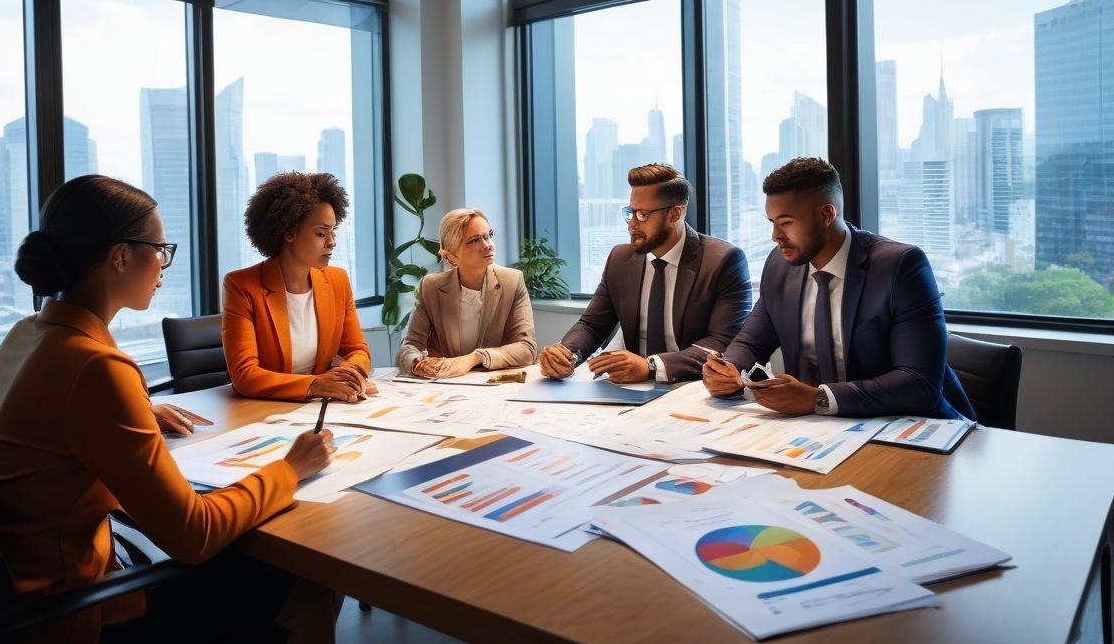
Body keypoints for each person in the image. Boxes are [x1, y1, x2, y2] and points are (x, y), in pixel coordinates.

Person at [0, 175, 338, 644]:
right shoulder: (97, 367)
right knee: (308, 580)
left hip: (21, 591)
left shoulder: (29, 334)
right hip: (75, 616)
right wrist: (291, 468)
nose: (163, 263)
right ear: (121, 255)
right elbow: (195, 535)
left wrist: (136, 408)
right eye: (159, 249)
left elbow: (58, 416)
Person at [702, 157, 974, 420]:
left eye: (786, 222)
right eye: (772, 222)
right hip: (826, 431)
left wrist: (817, 399)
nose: (775, 236)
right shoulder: (780, 265)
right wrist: (729, 369)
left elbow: (919, 383)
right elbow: (752, 340)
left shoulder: (900, 267)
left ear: (826, 214)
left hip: (911, 426)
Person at [539, 163, 751, 383]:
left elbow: (722, 341)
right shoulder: (620, 259)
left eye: (643, 215)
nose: (632, 224)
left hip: (694, 386)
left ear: (675, 214)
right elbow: (592, 325)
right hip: (631, 388)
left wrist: (651, 366)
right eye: (630, 213)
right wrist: (567, 354)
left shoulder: (724, 261)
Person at [223, 172, 373, 402]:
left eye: (333, 232)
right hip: (263, 412)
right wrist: (315, 385)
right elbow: (245, 376)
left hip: (320, 407)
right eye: (321, 233)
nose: (332, 242)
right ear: (289, 233)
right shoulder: (242, 286)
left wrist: (347, 375)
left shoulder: (337, 281)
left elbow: (357, 351)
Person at [396, 209, 536, 377]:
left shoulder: (512, 281)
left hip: (494, 385)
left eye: (488, 235)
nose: (488, 245)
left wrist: (475, 357)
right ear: (450, 257)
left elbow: (527, 348)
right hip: (446, 386)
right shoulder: (431, 287)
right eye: (474, 240)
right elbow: (409, 346)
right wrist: (417, 364)